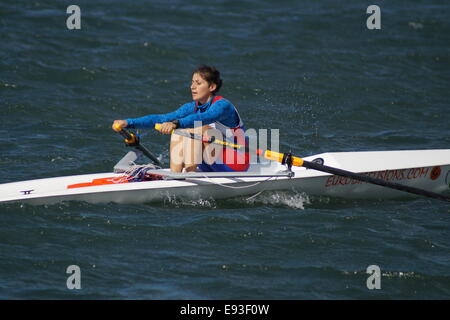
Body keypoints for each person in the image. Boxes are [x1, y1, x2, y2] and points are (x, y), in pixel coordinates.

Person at [112, 65, 249, 173]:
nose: (192, 86)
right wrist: (128, 123)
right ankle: (176, 176)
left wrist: (176, 124)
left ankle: (189, 174)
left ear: (212, 87)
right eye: (192, 82)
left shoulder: (223, 106)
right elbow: (162, 118)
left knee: (198, 127)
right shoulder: (191, 107)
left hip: (235, 163)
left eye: (198, 83)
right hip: (210, 162)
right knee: (180, 131)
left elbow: (203, 118)